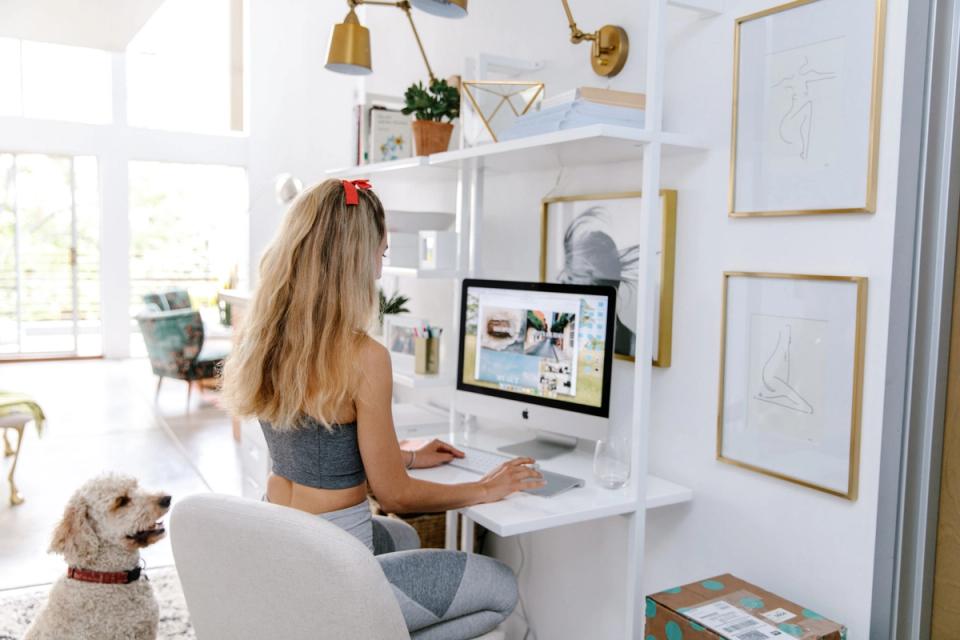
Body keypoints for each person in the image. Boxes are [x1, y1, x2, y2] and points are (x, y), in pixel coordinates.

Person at [221, 178, 544, 639]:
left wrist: (407, 455)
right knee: (500, 586)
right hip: (334, 567)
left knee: (404, 540)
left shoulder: (264, 338)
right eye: (381, 253)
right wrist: (484, 489)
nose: (378, 271)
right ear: (353, 261)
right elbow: (395, 497)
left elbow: (318, 443)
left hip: (282, 542)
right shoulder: (363, 356)